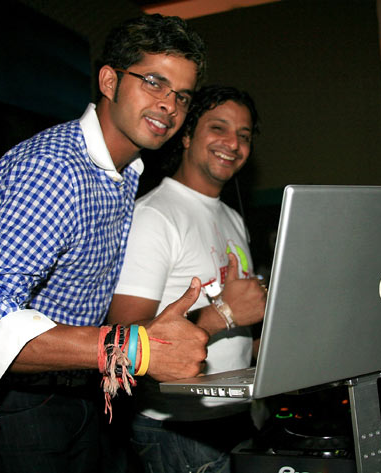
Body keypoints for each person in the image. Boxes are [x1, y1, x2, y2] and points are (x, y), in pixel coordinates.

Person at [0, 14, 210, 473]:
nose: (169, 105)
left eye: (181, 95)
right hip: (19, 403)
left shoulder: (126, 172)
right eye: (153, 82)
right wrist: (135, 348)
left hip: (84, 390)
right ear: (109, 80)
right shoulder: (54, 169)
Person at [108, 85, 266, 472]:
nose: (233, 143)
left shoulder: (232, 217)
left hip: (237, 415)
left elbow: (239, 331)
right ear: (187, 135)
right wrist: (224, 313)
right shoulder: (154, 217)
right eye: (219, 128)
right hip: (176, 430)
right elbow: (122, 340)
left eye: (244, 136)